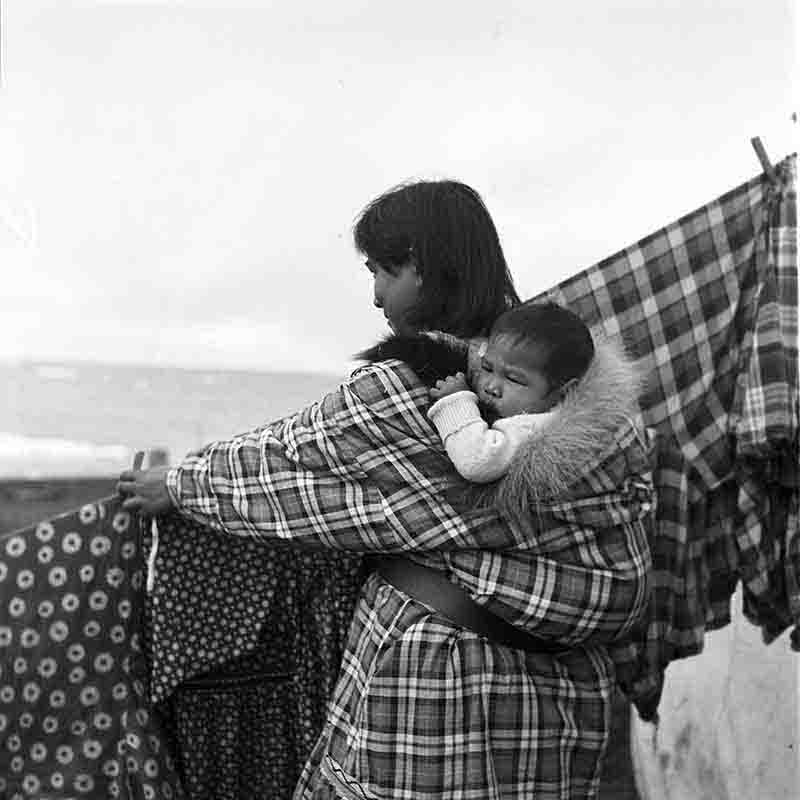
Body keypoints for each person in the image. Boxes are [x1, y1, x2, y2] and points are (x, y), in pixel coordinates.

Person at [118, 179, 653, 800]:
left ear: (424, 269)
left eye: (382, 271)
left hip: (436, 684)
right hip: (560, 699)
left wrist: (179, 485)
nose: (375, 296)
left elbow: (286, 466)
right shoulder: (562, 381)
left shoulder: (406, 393)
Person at [427, 301, 595, 483]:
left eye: (513, 379)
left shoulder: (535, 427)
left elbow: (477, 462)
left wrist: (455, 402)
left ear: (563, 393)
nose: (491, 387)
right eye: (487, 368)